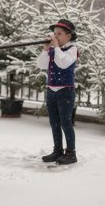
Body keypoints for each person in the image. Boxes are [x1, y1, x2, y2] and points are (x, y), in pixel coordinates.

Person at [37, 19, 78, 165]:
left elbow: (62, 63)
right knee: (54, 123)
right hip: (51, 90)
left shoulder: (72, 50)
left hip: (65, 91)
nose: (55, 36)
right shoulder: (53, 49)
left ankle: (71, 153)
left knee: (66, 123)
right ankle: (58, 150)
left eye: (59, 34)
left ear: (69, 36)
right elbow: (41, 65)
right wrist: (45, 49)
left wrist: (55, 48)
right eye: (54, 34)